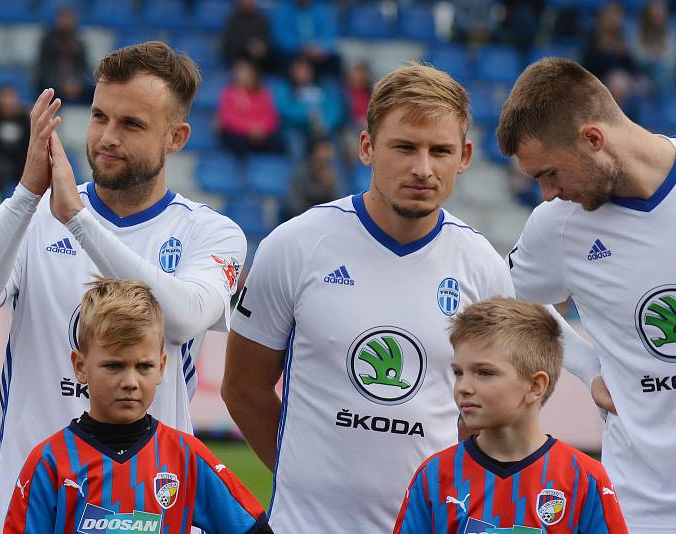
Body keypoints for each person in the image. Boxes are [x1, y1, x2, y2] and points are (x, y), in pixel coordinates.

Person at [0, 41, 247, 532]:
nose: (107, 137)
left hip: (150, 516)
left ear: (177, 137)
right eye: (100, 116)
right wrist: (25, 196)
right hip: (32, 514)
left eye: (132, 124)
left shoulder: (210, 233)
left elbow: (184, 317)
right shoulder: (34, 214)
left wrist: (79, 221)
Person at [221, 62, 517, 532]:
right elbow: (243, 388)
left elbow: (495, 407)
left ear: (463, 157)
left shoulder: (483, 267)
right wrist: (301, 482)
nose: (423, 168)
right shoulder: (296, 245)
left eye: (439, 151)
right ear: (367, 147)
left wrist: (438, 497)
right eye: (404, 147)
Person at [496, 57, 676, 533]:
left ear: (593, 139)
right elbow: (506, 303)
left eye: (551, 173)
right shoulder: (558, 226)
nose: (548, 193)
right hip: (638, 509)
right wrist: (585, 365)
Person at [4, 278, 271, 533]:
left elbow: (250, 526)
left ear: (162, 367)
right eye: (114, 366)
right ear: (80, 367)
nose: (130, 382)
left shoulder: (185, 457)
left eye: (144, 367)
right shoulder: (50, 463)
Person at [393, 297, 628, 533]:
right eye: (458, 372)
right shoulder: (435, 476)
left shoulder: (584, 479)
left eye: (484, 373)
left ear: (535, 386)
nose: (463, 386)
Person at [218, 59, 283, 157]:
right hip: (241, 135)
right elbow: (229, 118)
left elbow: (271, 117)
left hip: (261, 134)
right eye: (239, 72)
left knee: (278, 143)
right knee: (236, 142)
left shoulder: (264, 93)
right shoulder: (229, 93)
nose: (242, 76)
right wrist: (249, 129)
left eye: (245, 72)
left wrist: (261, 129)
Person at [36, 6, 89, 103]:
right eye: (63, 18)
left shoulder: (79, 41)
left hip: (76, 84)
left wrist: (77, 83)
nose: (66, 22)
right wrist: (61, 85)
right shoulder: (48, 40)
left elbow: (83, 67)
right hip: (54, 82)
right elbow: (44, 68)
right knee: (45, 85)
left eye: (69, 19)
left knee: (94, 86)